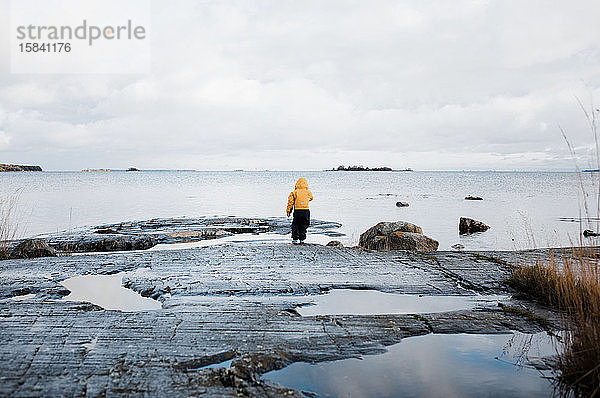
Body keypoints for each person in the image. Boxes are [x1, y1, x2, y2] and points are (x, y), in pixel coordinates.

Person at [286, 177, 313, 244]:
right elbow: (311, 198)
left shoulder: (294, 192)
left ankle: (295, 239)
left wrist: (288, 211)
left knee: (295, 224)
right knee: (304, 224)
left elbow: (290, 202)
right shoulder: (308, 192)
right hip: (306, 210)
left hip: (297, 211)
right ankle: (302, 239)